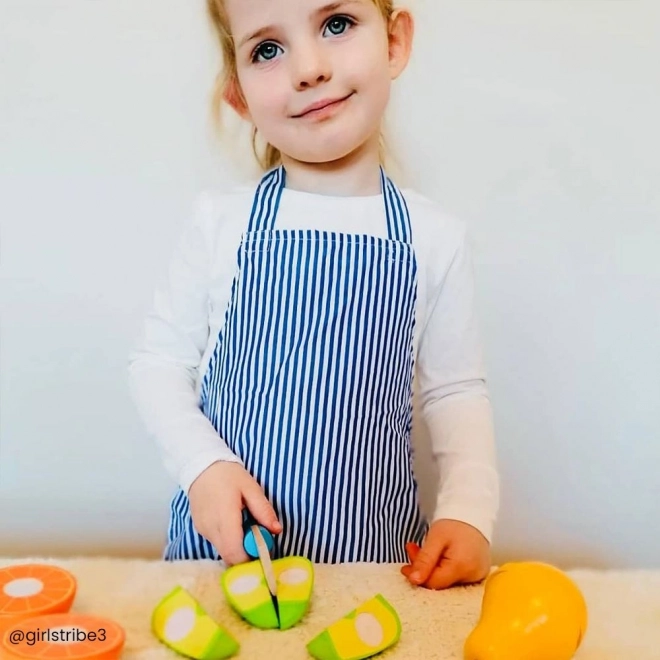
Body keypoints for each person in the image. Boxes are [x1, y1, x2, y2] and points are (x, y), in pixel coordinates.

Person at [128, 0, 499, 591]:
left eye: (336, 24)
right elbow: (157, 365)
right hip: (223, 563)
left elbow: (455, 391)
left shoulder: (435, 238)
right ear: (240, 97)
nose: (308, 68)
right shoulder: (221, 223)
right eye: (267, 50)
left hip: (371, 570)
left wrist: (469, 511)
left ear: (395, 42)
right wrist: (205, 468)